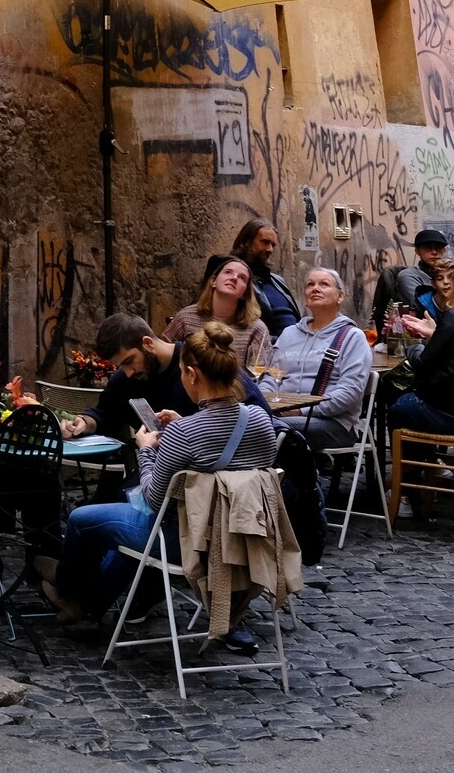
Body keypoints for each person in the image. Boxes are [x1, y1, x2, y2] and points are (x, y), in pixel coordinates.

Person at [43, 320, 277, 647]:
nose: (125, 372)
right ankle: (90, 603)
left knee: (88, 518)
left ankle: (70, 592)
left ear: (191, 376)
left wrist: (147, 450)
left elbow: (153, 499)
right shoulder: (262, 422)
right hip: (245, 534)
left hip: (184, 536)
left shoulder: (184, 433)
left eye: (128, 362)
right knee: (126, 510)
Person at [269, 267, 371, 452]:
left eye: (324, 284)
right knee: (248, 421)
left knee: (269, 429)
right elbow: (270, 376)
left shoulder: (352, 336)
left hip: (333, 423)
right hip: (279, 415)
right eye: (310, 284)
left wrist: (300, 410)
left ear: (340, 296)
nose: (315, 288)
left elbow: (350, 393)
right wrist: (265, 404)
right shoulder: (289, 334)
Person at [391, 261, 454, 438]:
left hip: (449, 414)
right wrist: (434, 333)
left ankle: (421, 464)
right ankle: (432, 463)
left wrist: (414, 343)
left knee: (397, 404)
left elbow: (421, 365)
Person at [166, 255, 269, 371]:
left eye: (242, 278)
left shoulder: (256, 329)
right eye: (228, 272)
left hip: (236, 387)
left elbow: (262, 375)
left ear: (245, 293)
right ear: (213, 281)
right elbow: (162, 352)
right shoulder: (186, 317)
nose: (234, 278)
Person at [230, 220, 301, 339]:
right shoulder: (233, 278)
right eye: (265, 242)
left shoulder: (277, 280)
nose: (270, 249)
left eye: (273, 245)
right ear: (247, 242)